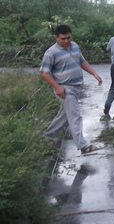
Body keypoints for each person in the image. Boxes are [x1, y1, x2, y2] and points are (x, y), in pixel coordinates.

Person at [40, 24, 103, 154]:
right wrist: (57, 87)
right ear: (56, 37)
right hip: (65, 88)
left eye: (68, 38)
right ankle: (83, 146)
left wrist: (94, 73)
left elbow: (82, 61)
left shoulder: (74, 46)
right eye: (63, 39)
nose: (66, 41)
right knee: (75, 116)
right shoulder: (51, 52)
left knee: (63, 116)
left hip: (77, 86)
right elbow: (44, 72)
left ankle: (46, 137)